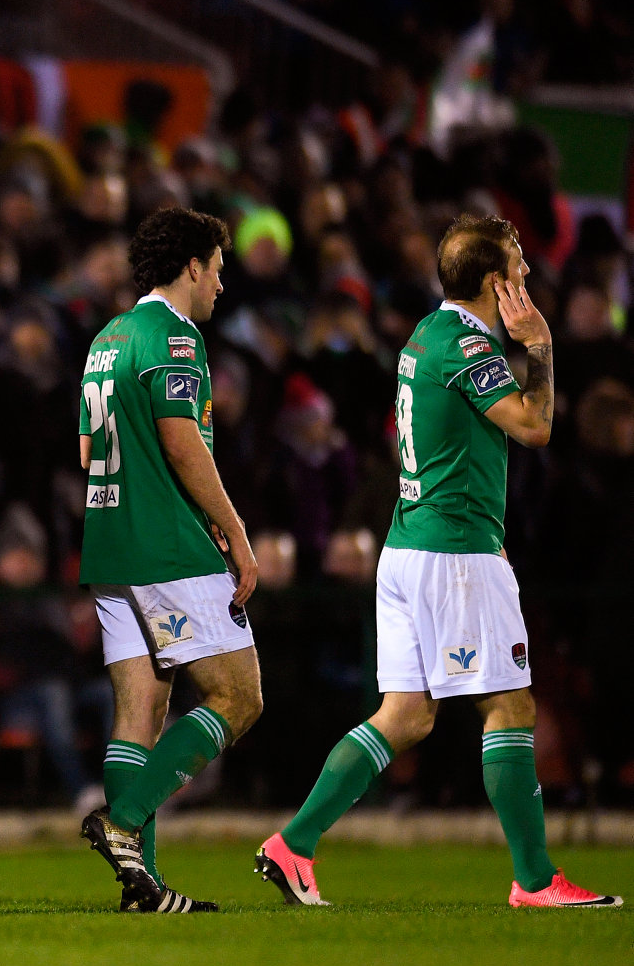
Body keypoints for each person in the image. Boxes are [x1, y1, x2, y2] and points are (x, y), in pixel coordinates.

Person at [256, 215, 623, 910]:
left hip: (409, 547)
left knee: (404, 716)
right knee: (510, 704)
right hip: (454, 553)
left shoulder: (427, 334)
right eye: (517, 265)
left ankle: (293, 844)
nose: (526, 276)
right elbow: (535, 427)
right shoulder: (468, 347)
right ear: (493, 280)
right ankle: (537, 880)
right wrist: (540, 347)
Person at [77, 207, 263, 913]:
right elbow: (183, 441)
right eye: (218, 267)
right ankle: (122, 823)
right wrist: (235, 533)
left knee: (140, 715)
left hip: (110, 545)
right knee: (239, 697)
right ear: (192, 266)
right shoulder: (174, 339)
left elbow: (89, 452)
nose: (222, 281)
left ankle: (141, 888)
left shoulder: (108, 336)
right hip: (166, 547)